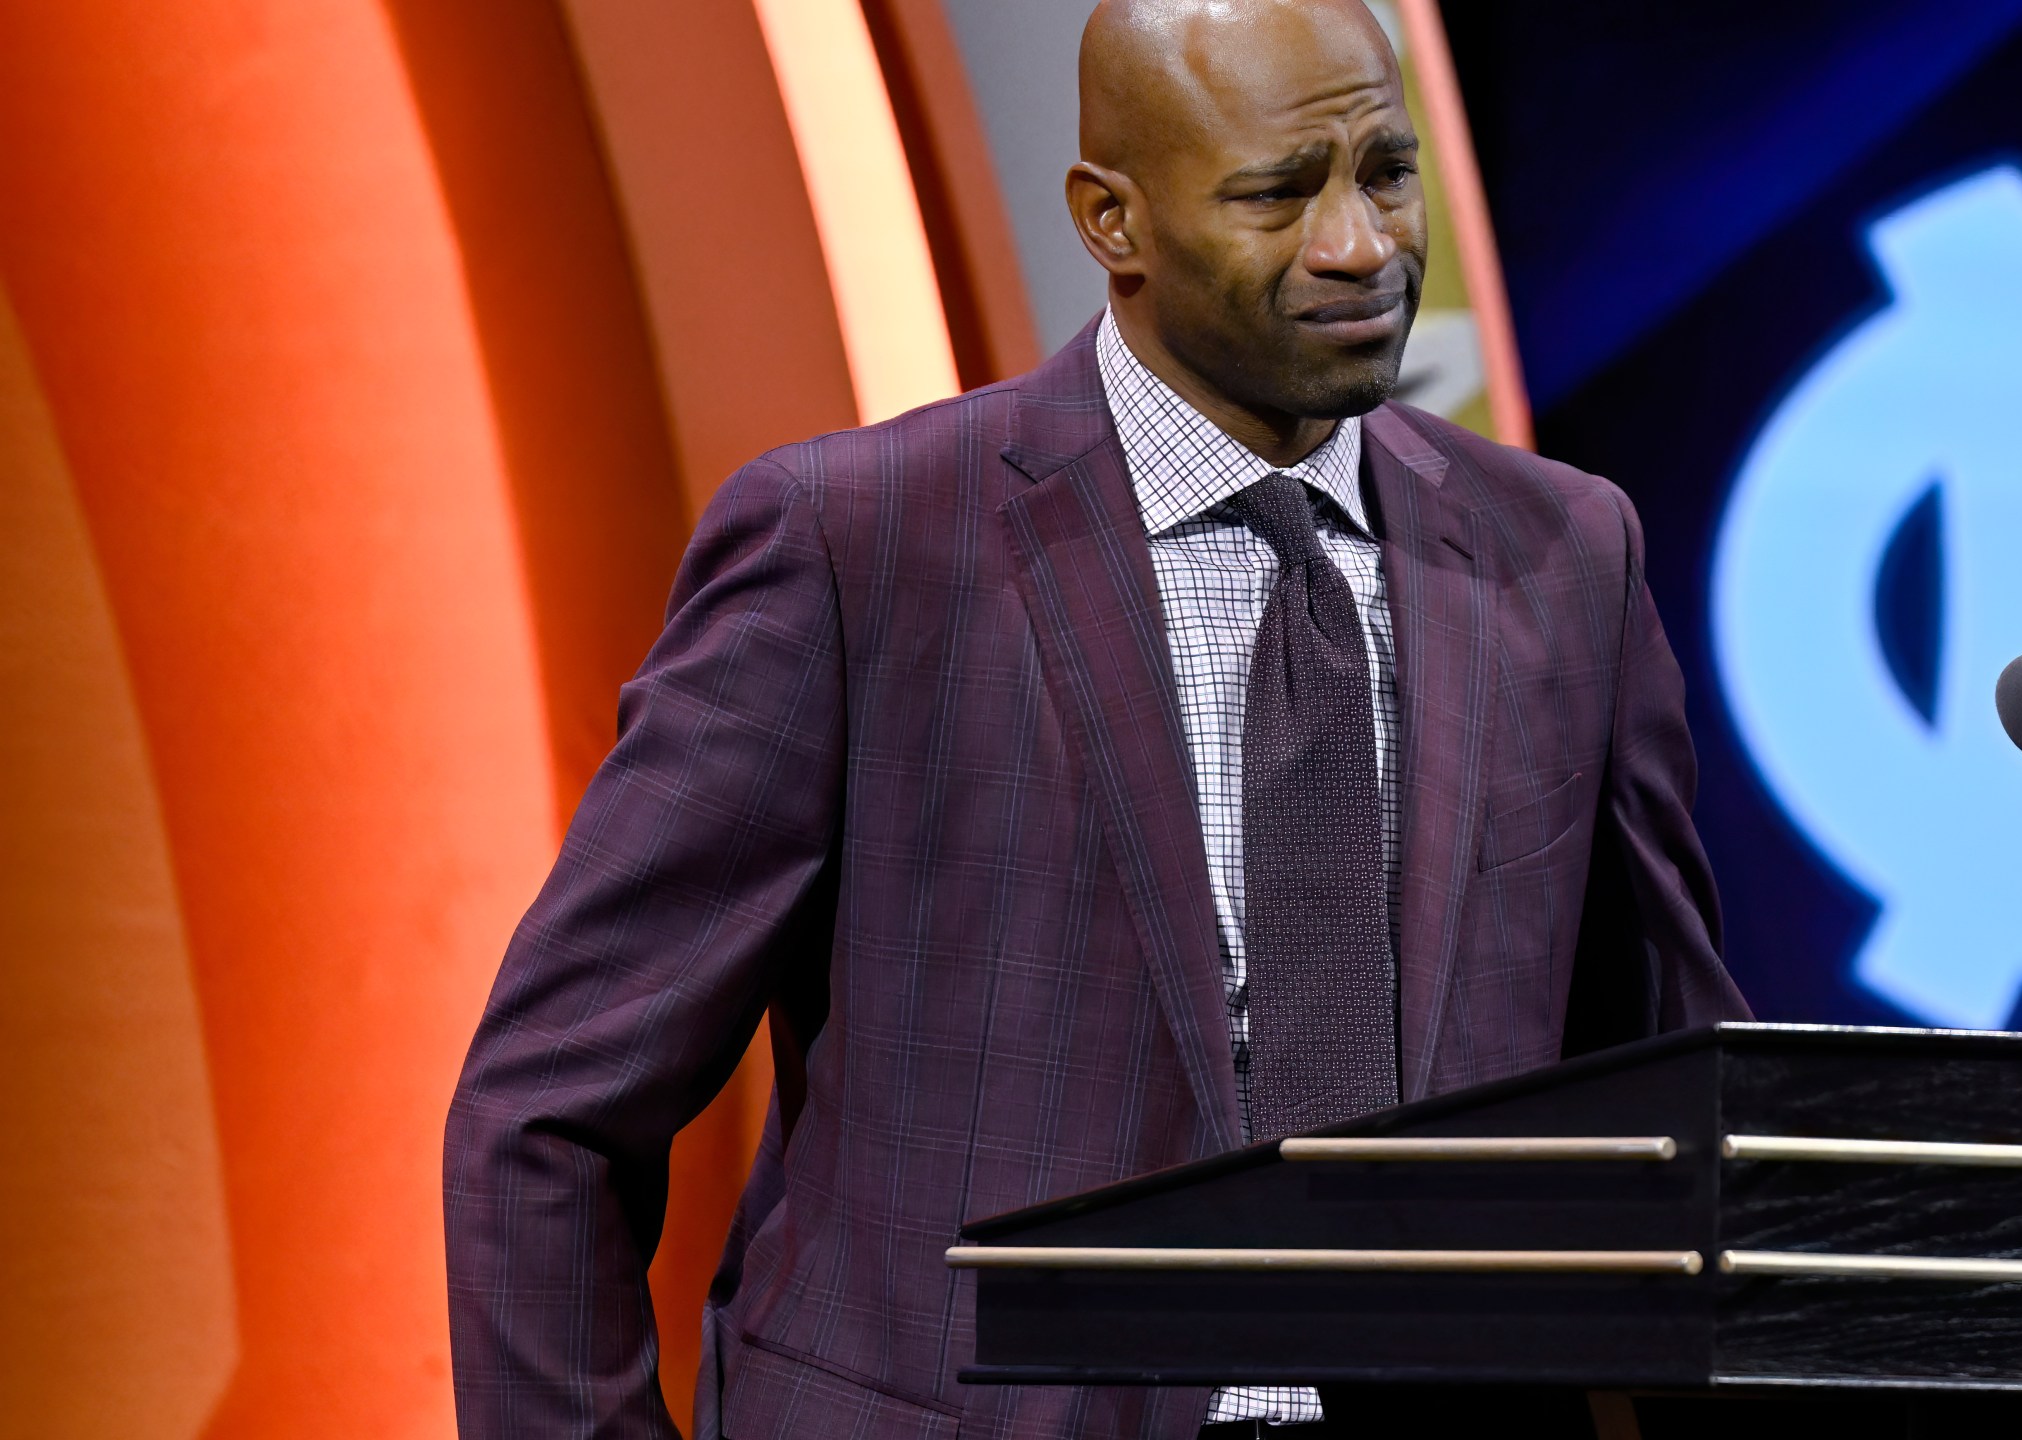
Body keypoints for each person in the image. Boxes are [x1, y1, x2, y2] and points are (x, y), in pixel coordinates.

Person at [442, 0, 1748, 1435]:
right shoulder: (858, 547)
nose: (1363, 245)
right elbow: (550, 1114)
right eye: (1277, 194)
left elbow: (1681, 1114)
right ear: (1110, 222)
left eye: (1385, 170)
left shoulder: (1565, 554)